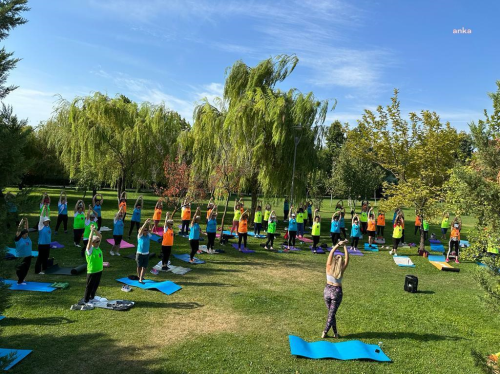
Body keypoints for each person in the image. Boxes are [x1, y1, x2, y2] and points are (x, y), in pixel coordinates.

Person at [322, 239, 349, 339]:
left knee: (331, 314)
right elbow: (347, 259)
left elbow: (331, 253)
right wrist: (345, 246)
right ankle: (325, 331)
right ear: (340, 262)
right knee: (331, 314)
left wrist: (338, 245)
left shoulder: (328, 267)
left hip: (327, 291)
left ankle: (335, 333)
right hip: (337, 292)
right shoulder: (341, 269)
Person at [84, 227, 103, 305]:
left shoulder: (97, 247)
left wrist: (95, 230)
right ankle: (86, 300)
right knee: (89, 286)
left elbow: (100, 237)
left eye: (98, 241)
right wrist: (91, 231)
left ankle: (92, 298)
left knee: (95, 285)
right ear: (92, 243)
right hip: (92, 271)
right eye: (96, 241)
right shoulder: (90, 250)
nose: (98, 242)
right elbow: (89, 240)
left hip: (99, 270)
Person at [14, 218, 32, 285]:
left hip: (28, 256)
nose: (26, 235)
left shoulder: (27, 237)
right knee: (20, 270)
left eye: (27, 234)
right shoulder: (18, 239)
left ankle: (21, 279)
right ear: (22, 234)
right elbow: (19, 229)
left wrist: (26, 221)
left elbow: (26, 229)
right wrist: (21, 222)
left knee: (26, 269)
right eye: (25, 234)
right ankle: (20, 281)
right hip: (20, 257)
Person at [36, 205, 52, 275]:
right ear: (43, 222)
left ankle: (44, 269)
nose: (47, 222)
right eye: (46, 221)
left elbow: (47, 216)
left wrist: (47, 210)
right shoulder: (41, 226)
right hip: (42, 245)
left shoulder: (48, 226)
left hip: (47, 245)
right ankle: (38, 270)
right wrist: (43, 209)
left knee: (46, 257)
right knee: (40, 258)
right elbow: (41, 217)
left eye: (48, 221)